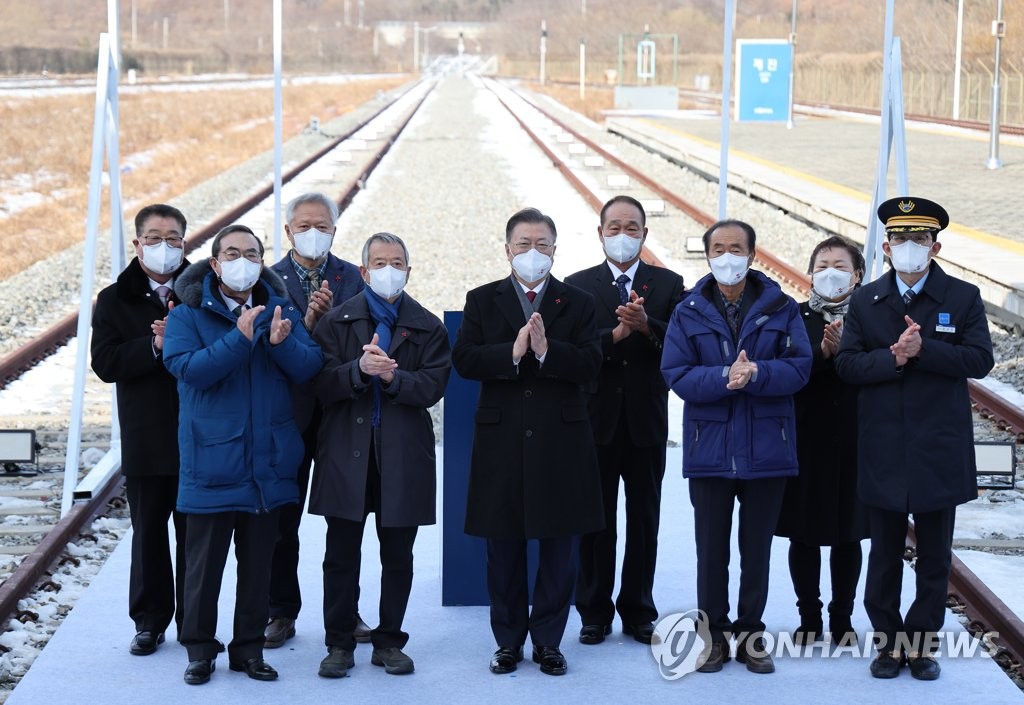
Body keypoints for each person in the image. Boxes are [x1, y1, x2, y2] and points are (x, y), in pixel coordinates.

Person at [834, 197, 994, 681]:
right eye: (900, 239)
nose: (909, 247)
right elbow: (847, 365)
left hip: (938, 446)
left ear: (935, 247)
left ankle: (921, 645)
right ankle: (887, 644)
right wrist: (895, 358)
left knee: (934, 556)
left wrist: (927, 351)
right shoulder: (865, 300)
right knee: (883, 554)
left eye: (919, 239)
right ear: (885, 247)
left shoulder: (962, 297)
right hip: (882, 445)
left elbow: (980, 360)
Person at [163, 224, 323, 685]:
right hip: (213, 463)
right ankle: (199, 649)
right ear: (214, 264)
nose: (242, 261)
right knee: (203, 568)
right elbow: (188, 370)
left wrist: (282, 343)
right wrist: (240, 337)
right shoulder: (187, 316)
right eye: (231, 253)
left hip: (267, 465)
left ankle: (248, 650)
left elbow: (310, 366)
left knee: (258, 567)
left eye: (251, 253)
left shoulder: (280, 308)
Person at [452, 207, 603, 677]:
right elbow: (466, 359)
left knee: (559, 545)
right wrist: (513, 352)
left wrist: (547, 352)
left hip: (562, 440)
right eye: (523, 244)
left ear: (555, 250)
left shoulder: (578, 302)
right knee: (504, 547)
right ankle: (508, 642)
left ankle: (549, 642)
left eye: (542, 245)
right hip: (502, 440)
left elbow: (591, 363)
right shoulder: (482, 299)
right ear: (507, 250)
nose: (532, 253)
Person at [661, 219, 811, 674]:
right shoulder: (687, 311)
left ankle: (751, 634)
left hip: (768, 448)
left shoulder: (783, 308)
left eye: (737, 248)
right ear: (708, 255)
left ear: (752, 254)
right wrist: (727, 376)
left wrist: (759, 373)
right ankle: (713, 637)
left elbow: (801, 367)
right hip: (710, 452)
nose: (728, 256)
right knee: (711, 551)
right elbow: (677, 373)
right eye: (719, 248)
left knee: (756, 549)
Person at [309, 232, 451, 678]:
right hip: (345, 455)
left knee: (399, 555)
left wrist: (392, 379)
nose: (388, 270)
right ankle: (339, 643)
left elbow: (432, 387)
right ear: (364, 271)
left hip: (402, 456)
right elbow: (320, 385)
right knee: (341, 554)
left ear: (408, 270)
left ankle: (390, 640)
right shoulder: (335, 322)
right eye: (379, 263)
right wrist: (358, 369)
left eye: (397, 262)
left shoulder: (428, 326)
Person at [566, 195, 685, 646]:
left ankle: (638, 610)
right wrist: (615, 335)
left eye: (631, 228)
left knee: (644, 519)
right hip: (594, 419)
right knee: (595, 520)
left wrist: (647, 324)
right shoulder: (577, 286)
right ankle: (593, 611)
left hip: (646, 419)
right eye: (613, 228)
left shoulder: (669, 283)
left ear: (644, 234)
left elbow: (680, 345)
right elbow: (576, 352)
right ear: (600, 234)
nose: (622, 236)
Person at [265, 192, 367, 649]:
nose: (313, 233)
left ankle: (345, 612)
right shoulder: (268, 281)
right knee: (281, 519)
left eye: (322, 225)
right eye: (304, 225)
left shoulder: (354, 277)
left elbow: (366, 335)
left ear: (334, 230)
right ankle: (280, 610)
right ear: (288, 231)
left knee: (346, 521)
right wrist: (308, 324)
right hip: (286, 417)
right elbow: (267, 350)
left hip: (342, 414)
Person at [91, 203, 190, 656]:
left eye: (173, 238)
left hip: (197, 434)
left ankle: (196, 619)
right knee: (149, 532)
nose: (163, 246)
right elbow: (106, 363)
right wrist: (153, 344)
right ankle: (149, 620)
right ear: (137, 243)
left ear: (184, 243)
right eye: (154, 237)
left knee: (196, 536)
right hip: (147, 434)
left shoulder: (200, 290)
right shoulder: (115, 298)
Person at [774, 235, 868, 645]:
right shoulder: (792, 316)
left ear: (858, 274)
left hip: (856, 439)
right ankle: (809, 615)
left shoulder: (870, 318)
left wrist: (847, 352)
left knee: (849, 532)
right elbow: (784, 369)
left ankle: (842, 617)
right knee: (804, 531)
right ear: (811, 273)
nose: (830, 272)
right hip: (804, 437)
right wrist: (823, 354)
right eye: (822, 264)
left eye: (840, 265)